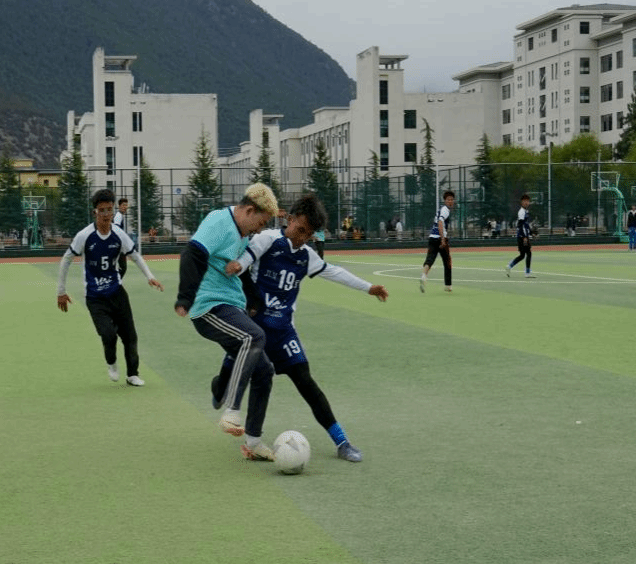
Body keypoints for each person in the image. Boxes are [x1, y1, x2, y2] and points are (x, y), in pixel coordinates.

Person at [209, 194, 388, 463]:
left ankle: (342, 442)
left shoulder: (307, 256)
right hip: (254, 328)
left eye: (309, 234)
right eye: (300, 229)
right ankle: (220, 385)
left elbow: (335, 272)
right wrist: (238, 265)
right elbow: (247, 256)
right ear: (290, 219)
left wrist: (368, 288)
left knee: (306, 381)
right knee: (231, 381)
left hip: (283, 331)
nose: (302, 238)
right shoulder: (268, 239)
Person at [174, 183, 278, 459]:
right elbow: (192, 254)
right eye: (261, 222)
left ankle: (253, 443)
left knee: (265, 371)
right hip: (209, 306)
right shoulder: (219, 222)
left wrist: (254, 300)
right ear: (249, 211)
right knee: (253, 337)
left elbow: (238, 271)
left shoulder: (241, 232)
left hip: (231, 305)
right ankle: (231, 410)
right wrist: (185, 298)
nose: (259, 230)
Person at [57, 189, 164, 386]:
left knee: (130, 336)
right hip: (95, 297)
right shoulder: (85, 236)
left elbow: (135, 255)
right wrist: (61, 292)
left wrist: (150, 277)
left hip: (117, 293)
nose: (106, 215)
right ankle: (112, 363)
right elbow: (66, 259)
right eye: (102, 210)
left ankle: (132, 374)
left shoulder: (119, 234)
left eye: (109, 210)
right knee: (108, 335)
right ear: (95, 212)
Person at [419, 190, 455, 293]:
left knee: (430, 259)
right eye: (448, 199)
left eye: (452, 199)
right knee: (447, 262)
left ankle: (423, 276)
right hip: (440, 238)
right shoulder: (445, 210)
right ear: (445, 201)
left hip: (432, 237)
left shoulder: (441, 209)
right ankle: (448, 285)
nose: (450, 201)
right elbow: (440, 222)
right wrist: (442, 238)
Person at [505, 194, 534, 277]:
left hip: (521, 236)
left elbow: (526, 225)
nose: (526, 202)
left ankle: (509, 266)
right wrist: (525, 237)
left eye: (528, 201)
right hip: (522, 236)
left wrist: (531, 232)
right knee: (528, 253)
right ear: (521, 202)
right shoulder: (521, 212)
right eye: (525, 201)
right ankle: (527, 273)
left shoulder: (525, 211)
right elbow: (521, 225)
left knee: (522, 255)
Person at [113, 197, 130, 278]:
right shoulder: (118, 216)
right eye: (123, 205)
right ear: (119, 206)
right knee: (123, 267)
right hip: (117, 245)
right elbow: (116, 230)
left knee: (121, 267)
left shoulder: (120, 216)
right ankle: (115, 282)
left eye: (126, 205)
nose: (125, 207)